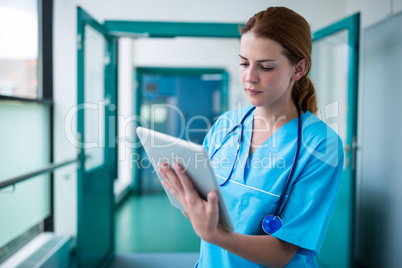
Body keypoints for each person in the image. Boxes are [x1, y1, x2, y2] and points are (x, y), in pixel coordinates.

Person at [158, 6, 344, 268]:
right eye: (244, 63)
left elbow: (283, 252)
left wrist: (214, 234)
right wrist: (187, 199)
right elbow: (206, 215)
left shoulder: (321, 145)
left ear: (298, 69)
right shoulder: (225, 126)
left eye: (265, 67)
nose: (249, 77)